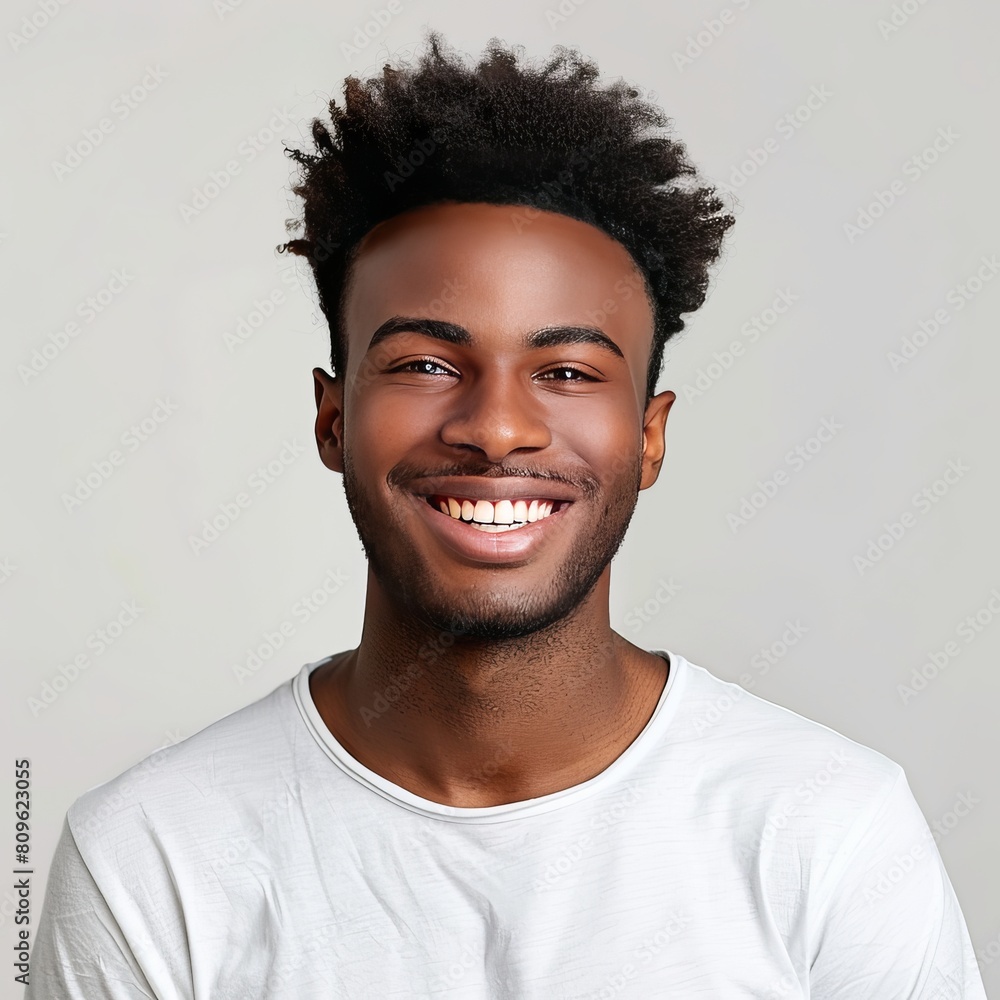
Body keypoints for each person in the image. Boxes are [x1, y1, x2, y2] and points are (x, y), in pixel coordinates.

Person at [28, 31, 986, 999]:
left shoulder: (832, 836)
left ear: (649, 436)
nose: (494, 427)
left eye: (565, 372)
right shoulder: (151, 866)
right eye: (425, 364)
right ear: (332, 417)